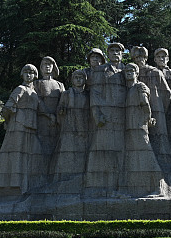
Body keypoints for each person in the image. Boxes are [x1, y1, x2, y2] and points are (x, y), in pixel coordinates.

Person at [0, 64, 50, 200]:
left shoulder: (34, 92)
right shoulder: (20, 89)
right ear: (22, 74)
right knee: (12, 157)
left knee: (28, 158)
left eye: (32, 73)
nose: (29, 75)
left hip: (30, 128)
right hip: (18, 127)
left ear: (35, 75)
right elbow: (7, 107)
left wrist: (52, 117)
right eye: (26, 72)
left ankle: (23, 188)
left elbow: (42, 109)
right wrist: (9, 121)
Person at [131, 45, 171, 190]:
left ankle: (165, 178)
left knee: (160, 143)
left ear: (146, 58)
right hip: (136, 114)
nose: (139, 60)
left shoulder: (154, 72)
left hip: (157, 112)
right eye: (137, 58)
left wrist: (161, 110)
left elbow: (167, 93)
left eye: (141, 57)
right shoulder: (130, 72)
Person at [85, 43, 127, 195]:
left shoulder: (128, 70)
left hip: (124, 116)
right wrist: (97, 115)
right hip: (106, 116)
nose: (115, 53)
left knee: (123, 152)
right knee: (101, 149)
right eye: (112, 51)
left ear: (122, 54)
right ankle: (96, 186)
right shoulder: (100, 71)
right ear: (108, 54)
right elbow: (94, 93)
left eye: (118, 51)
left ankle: (121, 186)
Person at [121, 63, 164, 197]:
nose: (129, 72)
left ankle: (158, 187)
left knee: (147, 153)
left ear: (137, 73)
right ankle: (134, 189)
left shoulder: (139, 86)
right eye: (127, 70)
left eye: (132, 70)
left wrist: (148, 118)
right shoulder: (129, 88)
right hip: (130, 126)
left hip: (139, 125)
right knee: (133, 157)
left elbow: (145, 104)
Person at [50, 69, 90, 190]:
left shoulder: (88, 94)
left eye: (81, 77)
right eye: (76, 77)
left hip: (83, 127)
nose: (78, 80)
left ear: (85, 80)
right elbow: (59, 109)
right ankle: (64, 179)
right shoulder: (67, 93)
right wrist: (61, 111)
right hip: (69, 127)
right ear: (72, 80)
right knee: (66, 152)